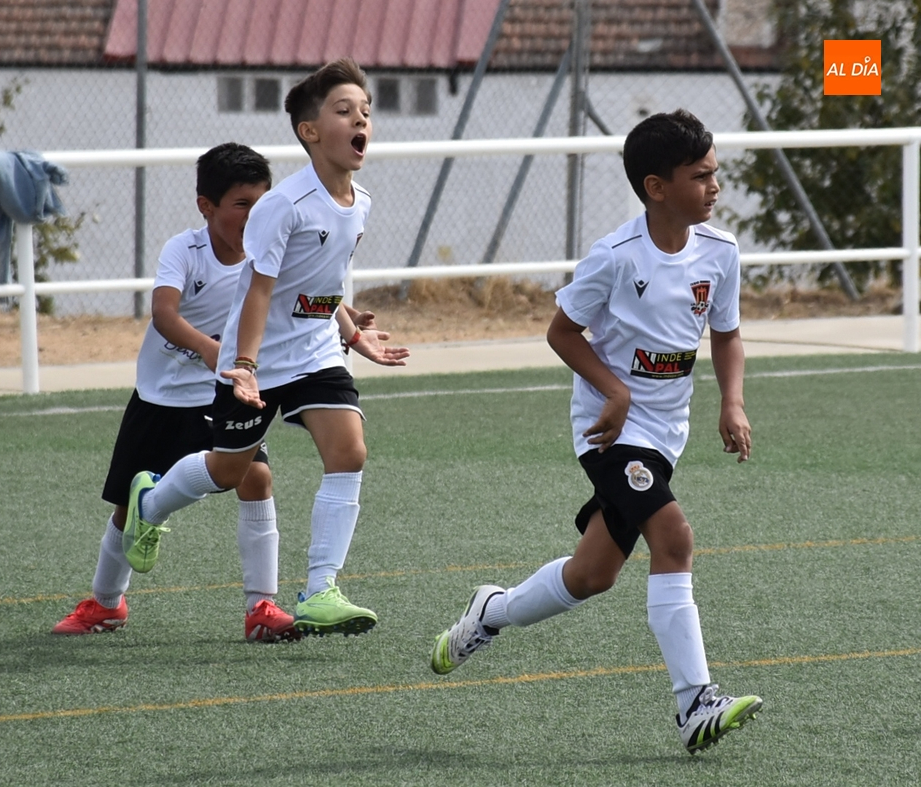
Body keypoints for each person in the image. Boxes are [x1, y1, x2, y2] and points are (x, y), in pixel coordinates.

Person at [428, 109, 762, 754]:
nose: (715, 186)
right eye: (700, 176)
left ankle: (490, 611)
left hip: (666, 434)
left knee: (592, 575)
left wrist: (733, 402)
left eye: (715, 173)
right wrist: (615, 390)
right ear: (656, 187)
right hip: (610, 433)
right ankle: (695, 702)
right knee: (674, 537)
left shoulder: (720, 252)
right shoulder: (614, 257)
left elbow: (726, 334)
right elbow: (561, 331)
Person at [121, 58, 408, 639]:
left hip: (315, 354)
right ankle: (148, 503)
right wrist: (245, 366)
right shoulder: (284, 205)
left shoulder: (362, 202)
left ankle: (320, 589)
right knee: (229, 471)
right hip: (255, 362)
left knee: (350, 451)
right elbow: (259, 290)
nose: (361, 121)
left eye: (366, 111)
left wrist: (352, 334)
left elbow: (323, 279)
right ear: (310, 131)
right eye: (345, 111)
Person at [54, 143, 298, 641]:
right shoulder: (185, 251)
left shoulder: (271, 254)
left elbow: (305, 292)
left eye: (262, 203)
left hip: (226, 393)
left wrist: (346, 324)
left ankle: (261, 607)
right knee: (127, 506)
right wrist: (209, 349)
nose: (254, 215)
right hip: (162, 396)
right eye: (242, 204)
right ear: (206, 206)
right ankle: (106, 604)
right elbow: (164, 313)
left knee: (256, 479)